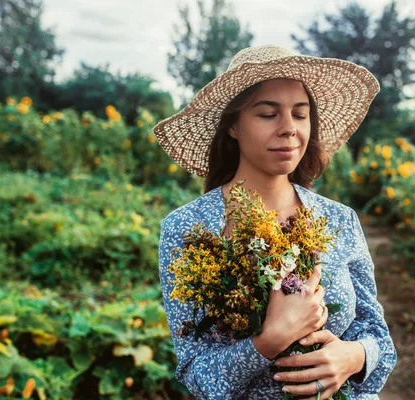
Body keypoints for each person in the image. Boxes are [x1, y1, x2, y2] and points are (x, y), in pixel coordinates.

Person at [154, 45, 396, 400]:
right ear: (233, 126)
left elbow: (379, 339)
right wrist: (269, 340)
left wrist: (353, 357)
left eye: (300, 115)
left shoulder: (338, 219)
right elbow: (197, 374)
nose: (289, 129)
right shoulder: (188, 228)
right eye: (268, 114)